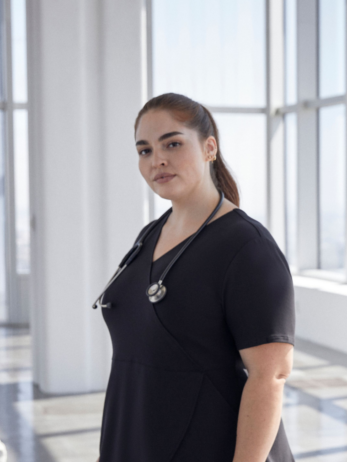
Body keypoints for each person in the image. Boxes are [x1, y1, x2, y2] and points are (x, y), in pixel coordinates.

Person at [96, 93, 296, 461]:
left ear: (209, 148)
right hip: (137, 440)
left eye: (172, 143)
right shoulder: (149, 235)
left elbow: (269, 377)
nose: (158, 160)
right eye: (144, 150)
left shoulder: (247, 248)